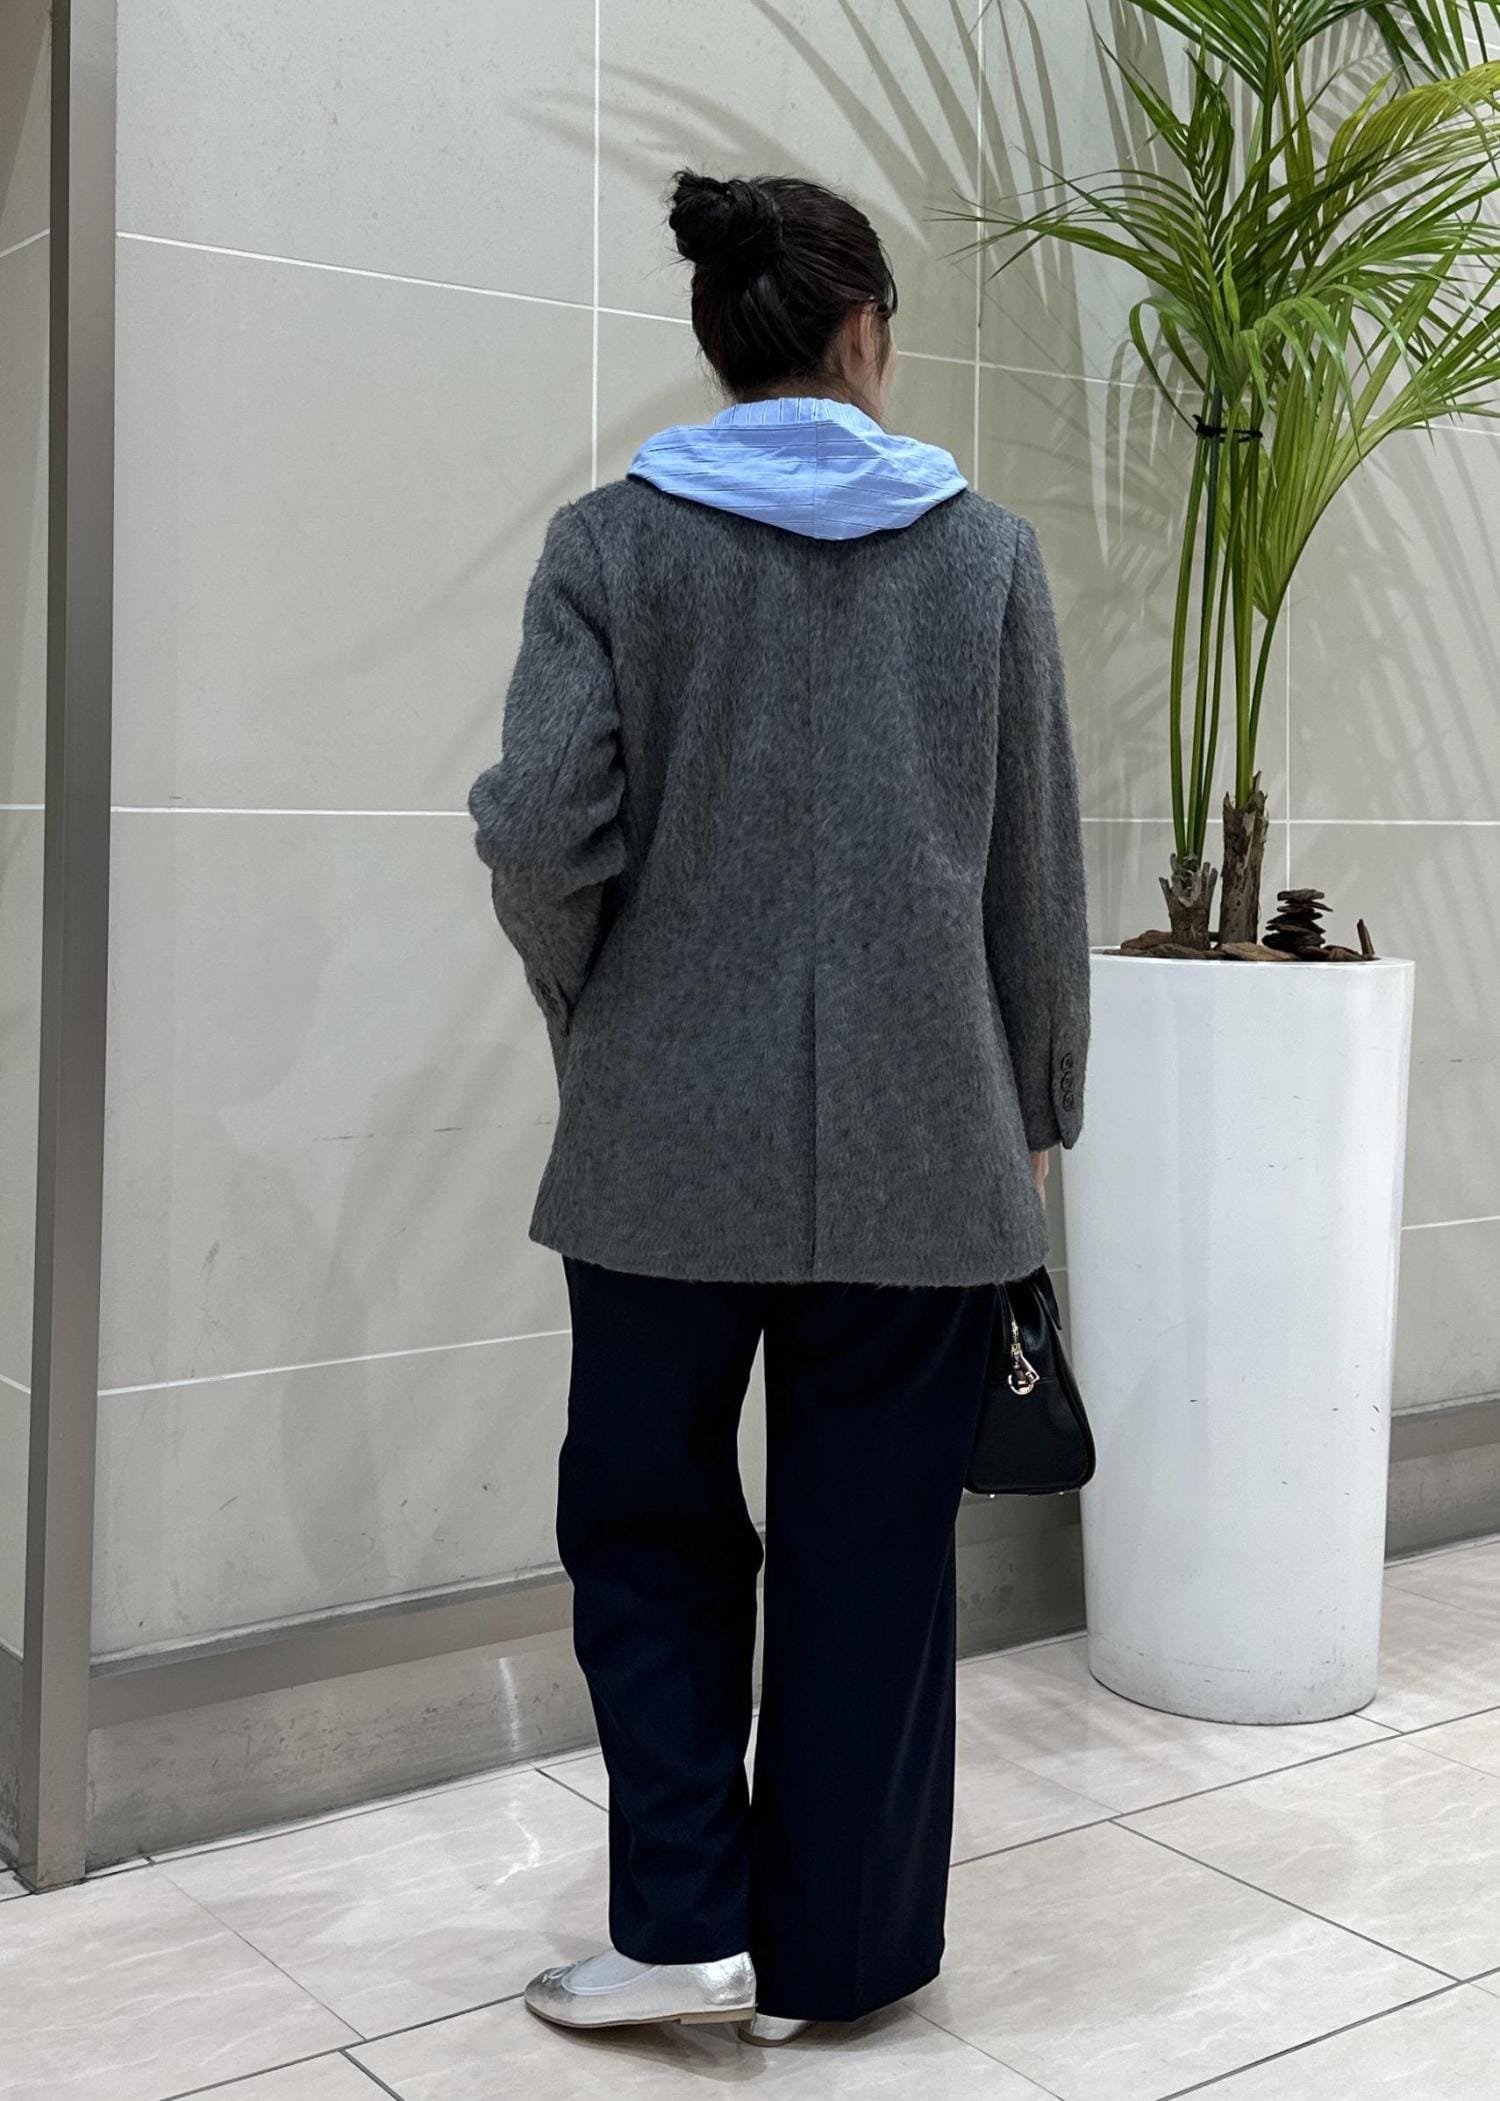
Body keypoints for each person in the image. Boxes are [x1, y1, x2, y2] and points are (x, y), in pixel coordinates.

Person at [468, 168, 1089, 2045]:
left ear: (719, 341)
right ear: (866, 333)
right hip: (928, 1146)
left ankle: (679, 1921)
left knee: (647, 1528)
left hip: (662, 1141)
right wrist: (1037, 1106)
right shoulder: (985, 557)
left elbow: (540, 829)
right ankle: (835, 1963)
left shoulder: (609, 545)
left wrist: (603, 1009)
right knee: (873, 1559)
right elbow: (1036, 875)